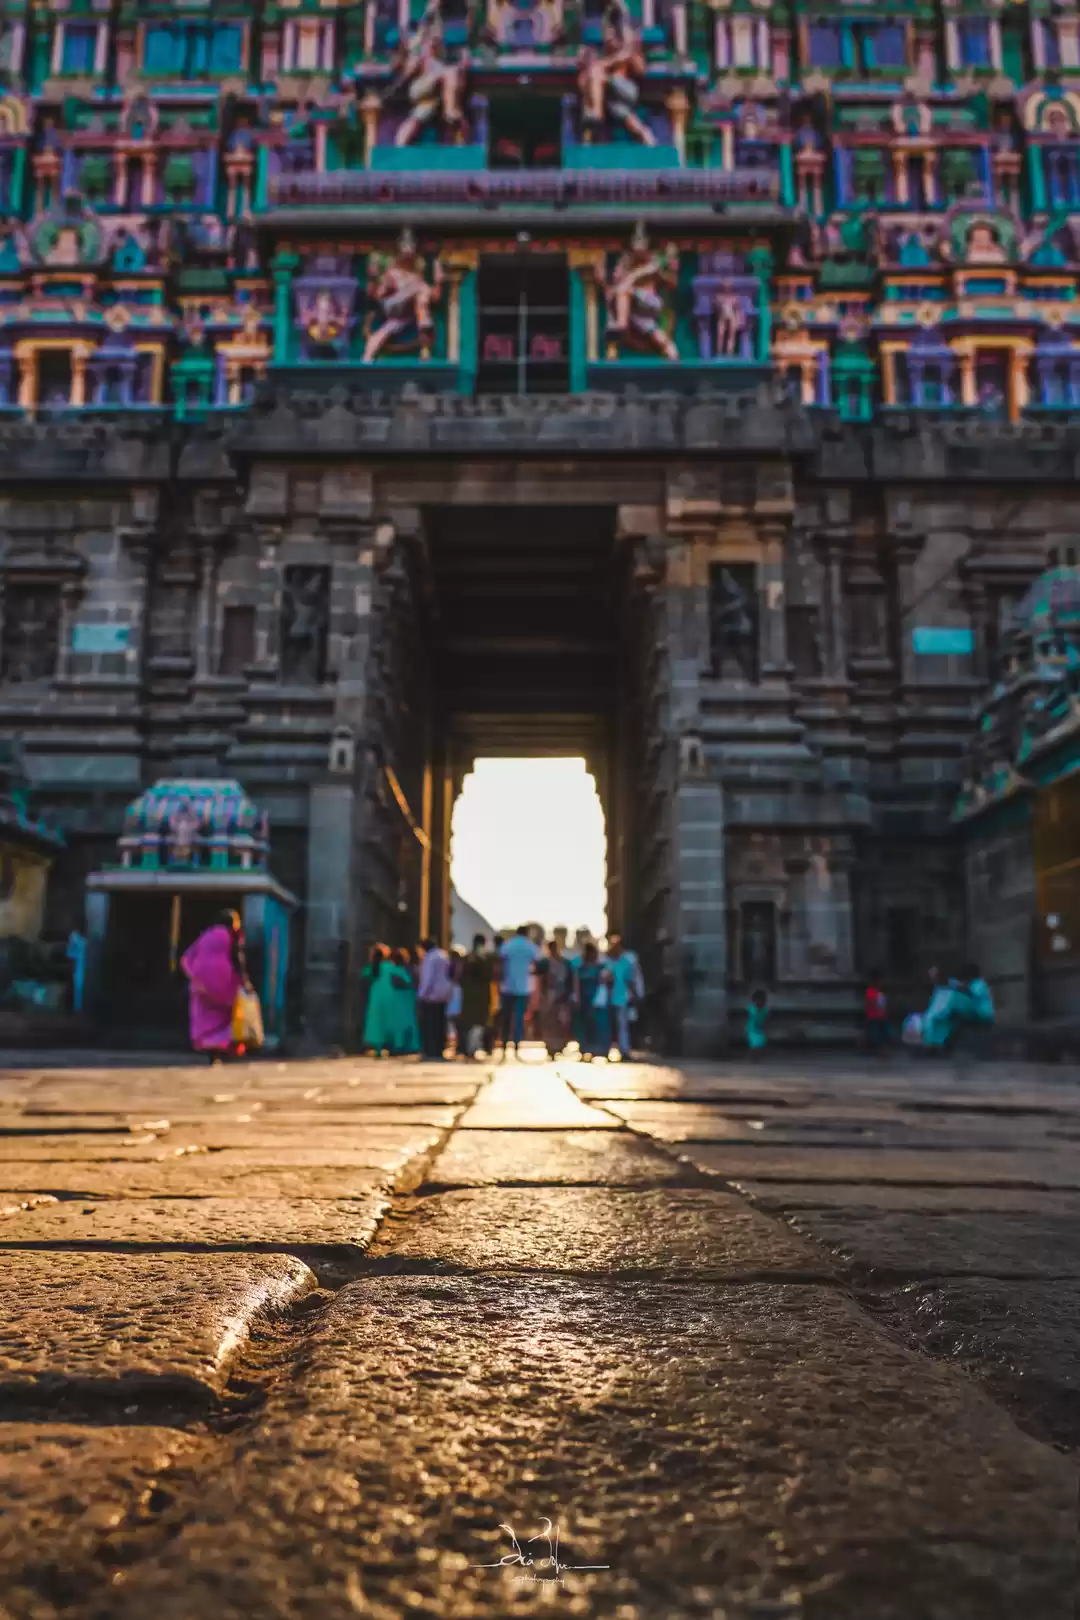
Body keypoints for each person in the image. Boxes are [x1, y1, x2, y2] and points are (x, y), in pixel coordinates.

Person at [180, 908, 247, 1061]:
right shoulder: (233, 935)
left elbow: (185, 959)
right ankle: (224, 1048)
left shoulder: (206, 935)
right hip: (225, 980)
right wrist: (244, 979)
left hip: (201, 982)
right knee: (227, 1015)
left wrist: (194, 976)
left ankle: (209, 1048)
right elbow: (238, 957)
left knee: (205, 1015)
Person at [499, 924, 542, 1057]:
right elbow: (538, 963)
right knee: (519, 1016)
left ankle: (505, 1041)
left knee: (506, 1015)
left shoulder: (508, 945)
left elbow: (500, 961)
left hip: (507, 985)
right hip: (523, 986)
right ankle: (517, 1041)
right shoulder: (530, 947)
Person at [604, 933, 643, 1060]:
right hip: (611, 997)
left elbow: (631, 978)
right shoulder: (609, 960)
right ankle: (607, 1049)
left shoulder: (628, 959)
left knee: (622, 1025)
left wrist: (636, 994)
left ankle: (624, 1050)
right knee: (611, 1025)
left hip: (624, 997)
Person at [537, 937, 574, 1058]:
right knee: (551, 1023)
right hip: (549, 996)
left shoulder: (564, 963)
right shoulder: (546, 963)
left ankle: (558, 1046)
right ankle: (552, 1046)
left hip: (558, 996)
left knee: (559, 1023)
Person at [416, 936, 453, 1059]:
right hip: (443, 994)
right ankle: (439, 1049)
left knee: (429, 1025)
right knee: (440, 1023)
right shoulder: (444, 955)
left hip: (430, 996)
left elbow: (428, 978)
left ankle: (429, 1051)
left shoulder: (429, 958)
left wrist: (421, 995)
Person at [459, 934, 494, 1059]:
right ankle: (471, 1048)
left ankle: (469, 1048)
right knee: (477, 1023)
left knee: (470, 1024)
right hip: (480, 997)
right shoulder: (484, 959)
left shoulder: (468, 958)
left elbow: (461, 978)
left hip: (470, 996)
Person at [360, 944, 398, 1057]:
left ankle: (378, 1048)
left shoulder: (371, 967)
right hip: (389, 995)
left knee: (376, 1022)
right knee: (389, 1020)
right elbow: (402, 976)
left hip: (376, 996)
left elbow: (364, 975)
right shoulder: (389, 966)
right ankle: (391, 1046)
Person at [575, 940, 610, 1060]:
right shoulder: (581, 969)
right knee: (585, 1027)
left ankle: (598, 1050)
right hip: (586, 1002)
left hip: (596, 1002)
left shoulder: (601, 968)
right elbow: (577, 985)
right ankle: (585, 1049)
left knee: (597, 1026)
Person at [390, 947, 420, 1055]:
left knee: (398, 1023)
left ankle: (399, 1045)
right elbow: (416, 982)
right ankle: (412, 1045)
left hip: (399, 997)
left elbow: (394, 983)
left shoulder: (394, 970)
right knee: (410, 1022)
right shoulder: (412, 969)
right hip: (410, 996)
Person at [864, 970, 888, 1057]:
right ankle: (881, 1051)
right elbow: (871, 1004)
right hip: (875, 1017)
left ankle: (882, 1051)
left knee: (882, 1036)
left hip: (880, 1017)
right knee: (878, 1036)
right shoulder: (871, 992)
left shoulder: (878, 992)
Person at [746, 987, 769, 1056]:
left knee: (760, 1041)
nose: (759, 1003)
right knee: (754, 1042)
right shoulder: (751, 1009)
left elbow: (766, 1020)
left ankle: (756, 1052)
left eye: (762, 1002)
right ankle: (753, 1052)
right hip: (752, 1029)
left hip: (760, 1030)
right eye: (757, 1001)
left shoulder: (765, 1010)